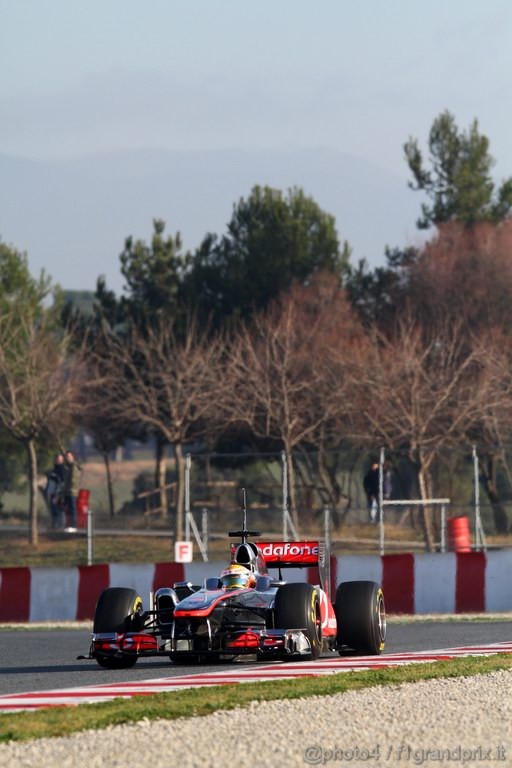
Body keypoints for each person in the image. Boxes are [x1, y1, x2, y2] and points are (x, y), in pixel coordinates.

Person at [45, 453, 66, 529]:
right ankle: (55, 525)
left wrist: (58, 493)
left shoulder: (62, 470)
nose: (57, 460)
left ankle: (60, 525)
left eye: (59, 459)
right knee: (53, 509)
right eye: (56, 459)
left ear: (62, 460)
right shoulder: (54, 469)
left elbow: (62, 483)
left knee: (59, 509)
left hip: (58, 493)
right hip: (52, 493)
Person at [63, 450, 82, 531]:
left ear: (72, 457)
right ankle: (68, 525)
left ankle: (73, 526)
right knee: (67, 509)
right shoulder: (68, 467)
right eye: (66, 457)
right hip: (67, 491)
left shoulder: (73, 467)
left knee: (72, 509)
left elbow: (73, 480)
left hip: (71, 491)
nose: (67, 458)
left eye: (69, 457)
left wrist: (67, 488)